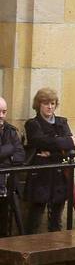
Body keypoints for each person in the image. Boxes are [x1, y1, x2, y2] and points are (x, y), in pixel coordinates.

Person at [24, 87, 75, 233]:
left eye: (52, 103)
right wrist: (63, 142)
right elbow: (39, 142)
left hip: (59, 175)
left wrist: (52, 153)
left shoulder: (61, 122)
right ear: (39, 104)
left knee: (56, 222)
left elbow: (72, 149)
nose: (50, 107)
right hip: (40, 175)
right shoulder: (32, 124)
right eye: (46, 103)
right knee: (35, 219)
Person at [0, 96, 26, 238]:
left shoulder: (10, 130)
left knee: (4, 226)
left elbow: (21, 155)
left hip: (7, 184)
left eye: (4, 112)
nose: (1, 115)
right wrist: (11, 149)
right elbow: (13, 150)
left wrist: (7, 155)